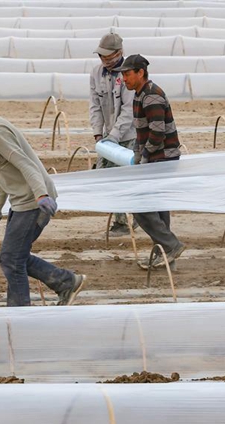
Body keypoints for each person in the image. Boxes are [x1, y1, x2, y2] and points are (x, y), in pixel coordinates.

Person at [0, 82, 87, 307]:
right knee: (16, 256)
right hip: (23, 201)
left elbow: (26, 165)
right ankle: (66, 282)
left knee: (11, 259)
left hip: (33, 203)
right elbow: (5, 175)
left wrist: (42, 195)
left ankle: (20, 313)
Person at [114, 54, 186, 270]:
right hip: (156, 157)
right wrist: (138, 155)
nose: (124, 79)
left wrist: (144, 157)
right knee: (158, 207)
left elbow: (157, 133)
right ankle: (164, 255)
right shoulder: (139, 95)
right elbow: (142, 133)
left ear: (140, 73)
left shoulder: (152, 95)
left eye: (127, 74)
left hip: (163, 158)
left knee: (141, 205)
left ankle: (171, 245)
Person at [89, 32, 137, 238]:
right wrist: (98, 134)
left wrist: (115, 136)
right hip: (109, 135)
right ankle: (127, 217)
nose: (105, 61)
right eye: (102, 57)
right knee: (106, 175)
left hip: (129, 134)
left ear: (120, 53)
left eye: (109, 57)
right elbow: (95, 105)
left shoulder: (128, 75)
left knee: (122, 177)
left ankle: (123, 222)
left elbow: (128, 110)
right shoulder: (96, 73)